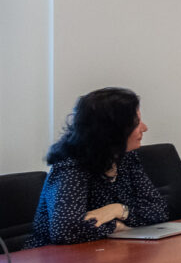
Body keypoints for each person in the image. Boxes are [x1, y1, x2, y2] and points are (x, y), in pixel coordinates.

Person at [25, 88, 168, 249]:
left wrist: (118, 210)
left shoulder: (125, 157)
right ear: (112, 131)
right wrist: (116, 227)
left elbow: (159, 210)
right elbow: (65, 231)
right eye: (136, 123)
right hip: (56, 258)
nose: (145, 128)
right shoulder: (71, 165)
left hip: (109, 250)